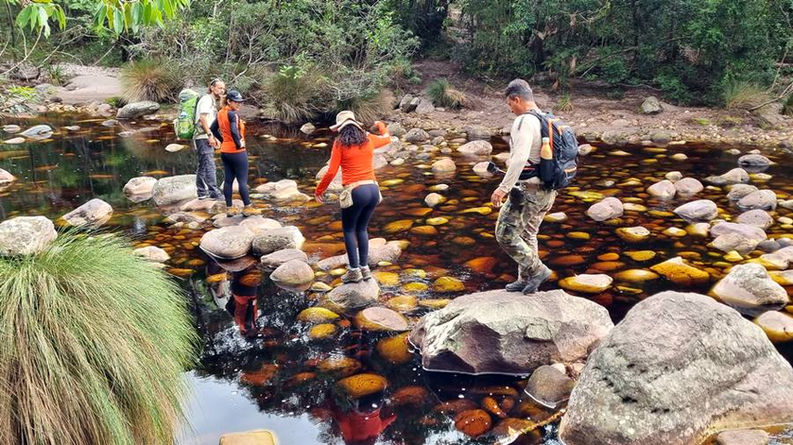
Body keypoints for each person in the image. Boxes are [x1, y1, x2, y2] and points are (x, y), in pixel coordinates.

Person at [491, 79, 556, 294]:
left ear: (516, 99)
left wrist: (503, 188)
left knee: (505, 233)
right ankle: (526, 279)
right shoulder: (547, 119)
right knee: (528, 234)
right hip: (548, 191)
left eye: (510, 105)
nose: (510, 110)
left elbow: (519, 158)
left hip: (530, 191)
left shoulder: (525, 121)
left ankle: (537, 270)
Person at [315, 111, 391, 283]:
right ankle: (365, 269)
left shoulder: (340, 143)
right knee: (362, 229)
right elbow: (387, 138)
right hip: (373, 190)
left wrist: (319, 190)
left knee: (349, 230)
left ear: (340, 128)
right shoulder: (368, 138)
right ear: (356, 124)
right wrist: (380, 125)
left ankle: (353, 270)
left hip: (356, 191)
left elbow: (332, 171)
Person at [210, 90, 261, 217]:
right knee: (242, 181)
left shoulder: (221, 113)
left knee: (228, 180)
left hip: (225, 151)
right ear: (229, 101)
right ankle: (247, 208)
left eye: (240, 102)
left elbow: (212, 129)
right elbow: (233, 130)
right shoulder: (232, 114)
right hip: (237, 152)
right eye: (236, 102)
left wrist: (223, 141)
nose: (239, 104)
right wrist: (239, 144)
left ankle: (229, 209)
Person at [194, 78, 225, 200]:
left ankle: (201, 192)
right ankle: (214, 192)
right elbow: (203, 119)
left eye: (223, 88)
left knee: (203, 164)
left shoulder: (212, 100)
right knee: (210, 164)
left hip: (204, 136)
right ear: (212, 88)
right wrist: (210, 135)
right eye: (219, 88)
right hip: (203, 136)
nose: (222, 90)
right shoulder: (206, 99)